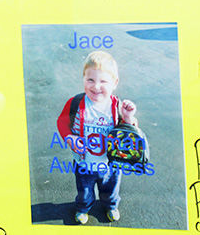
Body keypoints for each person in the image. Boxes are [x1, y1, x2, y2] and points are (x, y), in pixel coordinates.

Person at [56, 51, 139, 224]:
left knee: (110, 189)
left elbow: (130, 132)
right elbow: (62, 122)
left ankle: (110, 205)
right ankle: (83, 208)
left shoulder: (117, 107)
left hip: (110, 165)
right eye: (90, 80)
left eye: (103, 81)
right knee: (84, 191)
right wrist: (69, 138)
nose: (96, 86)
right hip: (84, 163)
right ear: (83, 79)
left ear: (114, 83)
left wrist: (129, 117)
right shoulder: (76, 103)